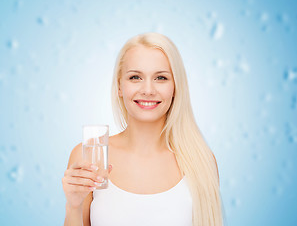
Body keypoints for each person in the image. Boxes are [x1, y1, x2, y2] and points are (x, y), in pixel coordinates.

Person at [62, 32, 224, 226]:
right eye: (135, 77)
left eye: (161, 78)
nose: (148, 90)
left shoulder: (201, 161)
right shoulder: (89, 155)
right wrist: (73, 206)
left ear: (176, 88)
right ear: (119, 87)